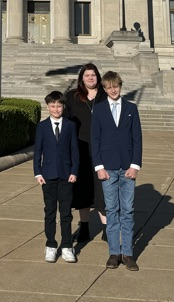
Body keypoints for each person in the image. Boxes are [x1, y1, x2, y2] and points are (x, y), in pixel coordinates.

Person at [91, 71, 143, 271]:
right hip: (108, 168)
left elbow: (137, 139)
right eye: (109, 87)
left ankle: (127, 253)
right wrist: (99, 167)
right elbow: (95, 140)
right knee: (112, 210)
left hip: (127, 167)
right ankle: (114, 253)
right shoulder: (100, 109)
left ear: (120, 86)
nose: (113, 90)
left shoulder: (131, 108)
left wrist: (135, 166)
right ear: (104, 89)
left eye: (116, 86)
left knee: (127, 211)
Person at [33, 90, 80, 263]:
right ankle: (51, 245)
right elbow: (38, 151)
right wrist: (37, 172)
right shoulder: (42, 127)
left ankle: (67, 246)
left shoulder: (70, 125)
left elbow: (75, 151)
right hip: (48, 175)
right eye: (52, 106)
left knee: (66, 213)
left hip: (67, 175)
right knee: (50, 211)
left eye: (59, 106)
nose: (56, 109)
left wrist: (74, 171)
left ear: (64, 106)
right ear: (47, 107)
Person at [64, 62, 107, 242]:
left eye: (94, 75)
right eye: (87, 75)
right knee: (82, 191)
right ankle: (85, 227)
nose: (91, 78)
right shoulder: (72, 97)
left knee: (103, 191)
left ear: (98, 77)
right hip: (80, 149)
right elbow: (66, 123)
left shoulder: (106, 97)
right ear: (81, 78)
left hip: (102, 150)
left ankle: (107, 229)